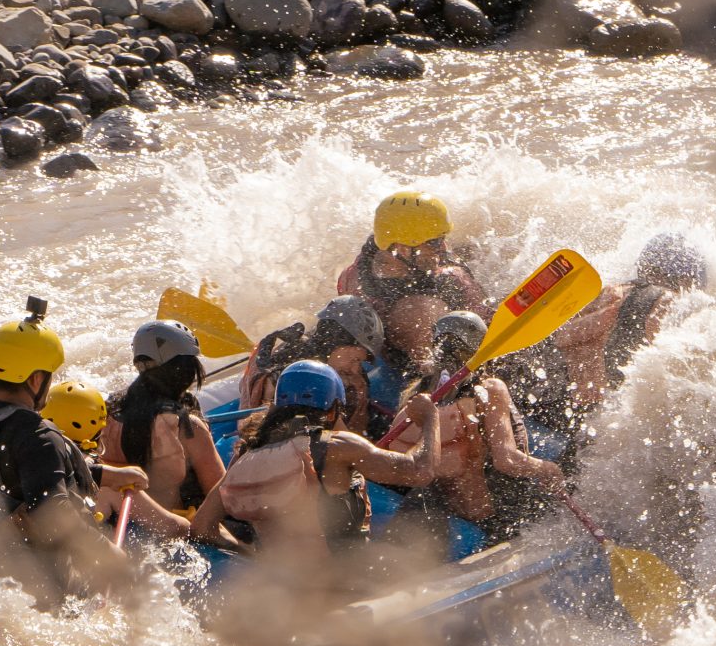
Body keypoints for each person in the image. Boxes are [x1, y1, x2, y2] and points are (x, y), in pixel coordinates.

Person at [0, 299, 149, 605]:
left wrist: (105, 474)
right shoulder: (38, 435)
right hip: (40, 587)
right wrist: (108, 554)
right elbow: (52, 514)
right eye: (50, 375)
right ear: (36, 379)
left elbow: (17, 472)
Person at [191, 361, 438, 564]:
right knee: (424, 503)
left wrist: (253, 556)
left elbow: (202, 527)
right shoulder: (339, 446)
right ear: (331, 411)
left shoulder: (247, 452)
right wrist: (429, 419)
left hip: (282, 587)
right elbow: (420, 471)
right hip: (344, 581)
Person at [402, 310, 567, 552]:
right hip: (503, 514)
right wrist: (549, 470)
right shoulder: (489, 388)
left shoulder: (416, 396)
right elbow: (507, 460)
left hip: (454, 512)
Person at [336, 189, 487, 382]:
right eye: (434, 242)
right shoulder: (420, 310)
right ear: (401, 248)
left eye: (441, 239)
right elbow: (434, 372)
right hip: (408, 367)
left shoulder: (360, 267)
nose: (442, 247)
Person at [554, 232, 709, 407]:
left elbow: (560, 333)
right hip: (596, 415)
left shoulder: (610, 291)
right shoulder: (668, 302)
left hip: (553, 398)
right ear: (688, 278)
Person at [101, 320, 225, 514]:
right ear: (182, 368)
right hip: (175, 523)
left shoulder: (109, 410)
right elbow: (222, 495)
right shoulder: (188, 427)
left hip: (124, 515)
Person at [49, 378, 195, 541]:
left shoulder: (36, 460)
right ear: (97, 429)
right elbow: (173, 528)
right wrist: (193, 523)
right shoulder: (109, 481)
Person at [237, 295, 386, 435]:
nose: (355, 369)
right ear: (333, 341)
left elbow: (357, 433)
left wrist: (360, 401)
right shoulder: (289, 365)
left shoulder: (354, 377)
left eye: (359, 363)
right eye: (354, 360)